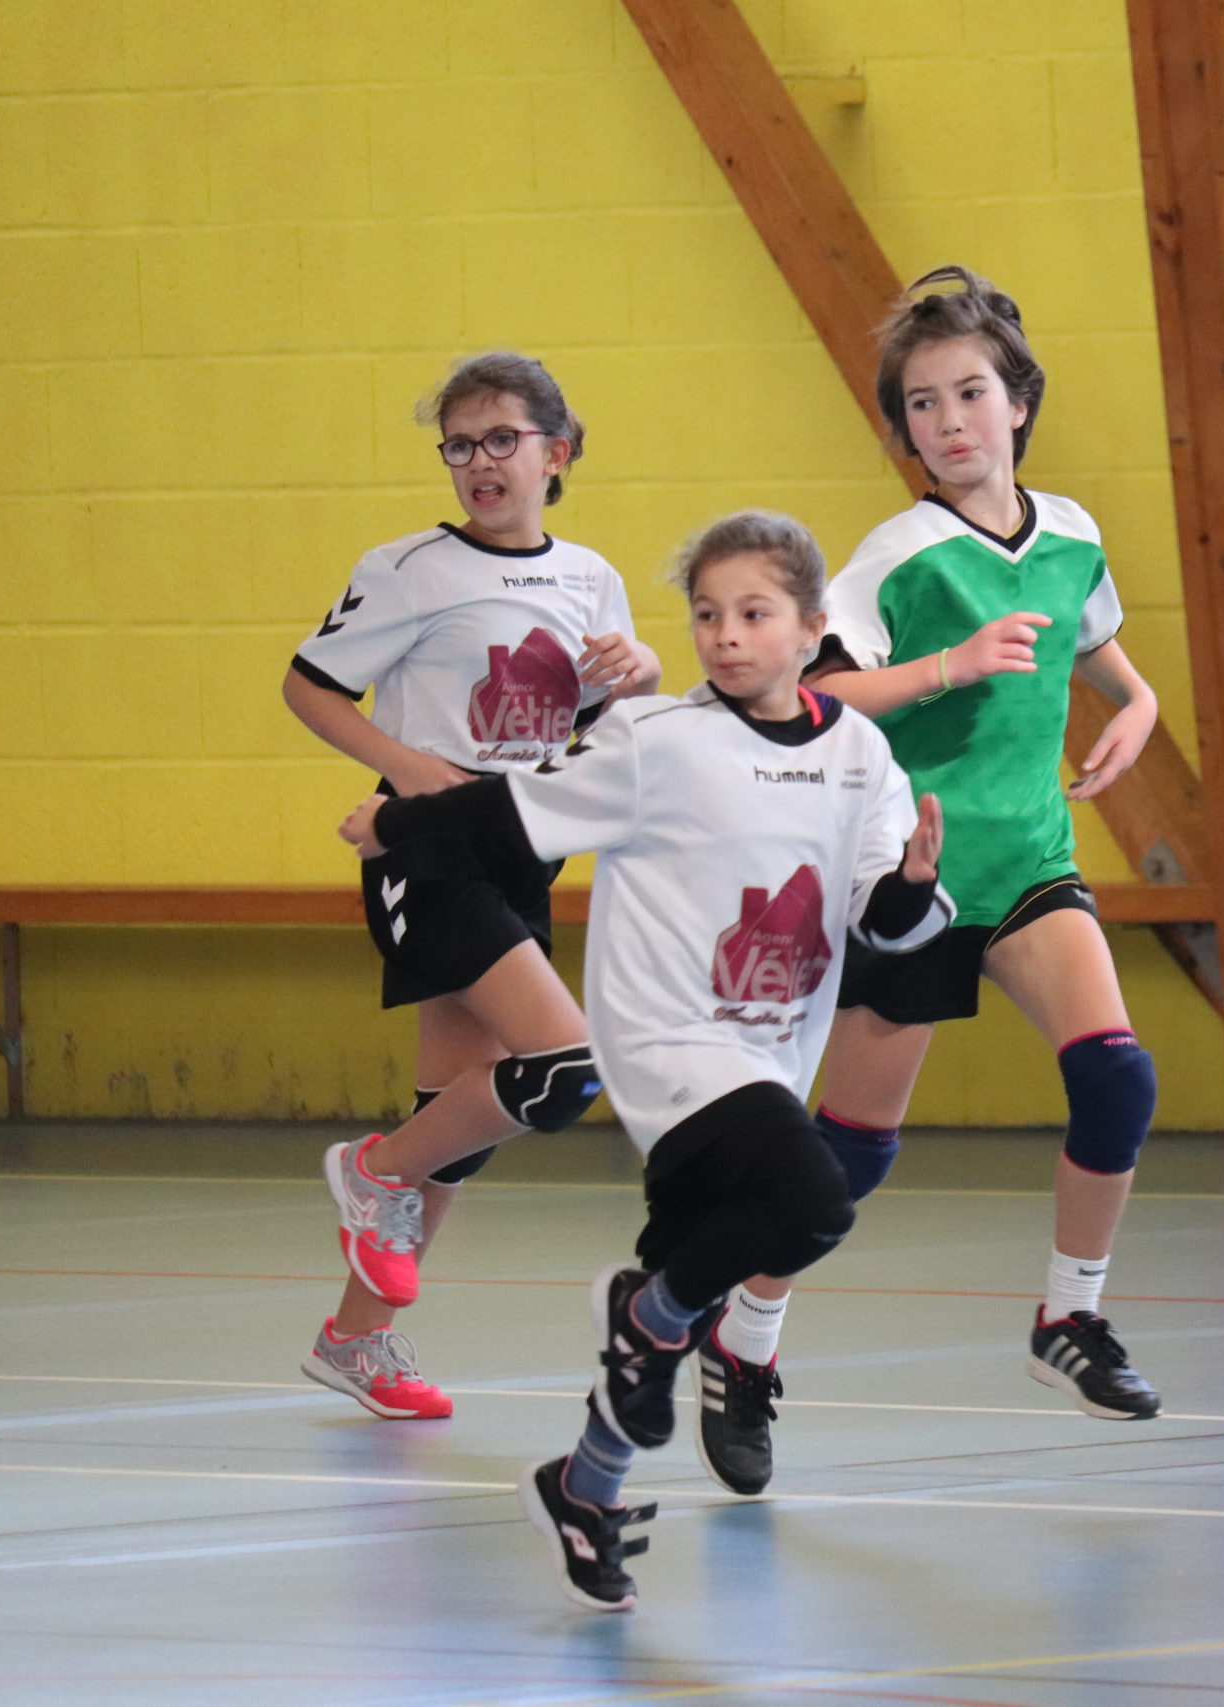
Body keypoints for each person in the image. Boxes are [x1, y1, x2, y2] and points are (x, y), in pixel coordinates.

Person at [340, 509, 951, 1611]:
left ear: (811, 627)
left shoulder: (860, 754)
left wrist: (909, 889)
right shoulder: (656, 739)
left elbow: (883, 916)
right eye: (707, 615)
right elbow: (508, 812)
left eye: (753, 613)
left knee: (671, 1313)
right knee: (814, 1202)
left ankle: (584, 1486)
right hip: (669, 1049)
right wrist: (398, 830)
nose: (724, 636)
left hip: (771, 1056)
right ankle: (646, 1311)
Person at [687, 267, 1168, 1500]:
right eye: (921, 404)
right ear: (902, 430)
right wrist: (949, 664)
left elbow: (1093, 643)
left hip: (1033, 866)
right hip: (915, 877)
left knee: (1115, 1078)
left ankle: (1069, 1320)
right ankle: (743, 1341)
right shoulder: (898, 558)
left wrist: (1141, 704)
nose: (950, 420)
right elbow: (812, 693)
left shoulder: (1069, 533)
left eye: (971, 393)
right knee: (848, 1160)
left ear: (1018, 402)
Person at [283, 353, 659, 1418]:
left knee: (460, 1116)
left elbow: (578, 732)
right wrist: (403, 769)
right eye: (460, 444)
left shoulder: (589, 577)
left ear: (558, 451)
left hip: (522, 847)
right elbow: (309, 686)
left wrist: (634, 684)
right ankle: (372, 1172)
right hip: (428, 850)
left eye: (502, 440)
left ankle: (356, 1338)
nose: (479, 463)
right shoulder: (409, 569)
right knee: (564, 1067)